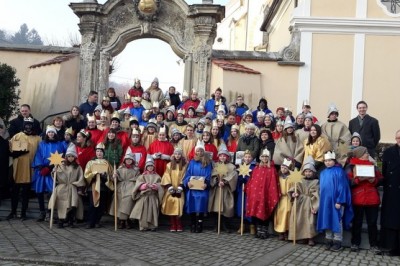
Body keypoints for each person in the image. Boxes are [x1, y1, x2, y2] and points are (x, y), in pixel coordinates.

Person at [346, 146, 382, 253]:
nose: (368, 154)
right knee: (357, 222)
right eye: (366, 152)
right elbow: (347, 183)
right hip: (358, 198)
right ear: (360, 155)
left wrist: (374, 181)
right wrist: (357, 180)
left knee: (372, 223)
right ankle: (355, 243)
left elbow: (381, 179)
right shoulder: (351, 166)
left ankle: (374, 245)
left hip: (372, 199)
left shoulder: (373, 166)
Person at [317, 151, 353, 252]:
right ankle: (328, 238)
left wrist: (340, 201)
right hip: (325, 201)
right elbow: (321, 187)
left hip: (336, 202)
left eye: (329, 160)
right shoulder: (323, 173)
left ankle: (337, 241)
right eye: (326, 161)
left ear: (334, 161)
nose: (327, 162)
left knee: (337, 220)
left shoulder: (339, 172)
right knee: (327, 218)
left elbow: (343, 187)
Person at [7, 118, 41, 220]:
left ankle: (23, 213)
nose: (28, 127)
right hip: (18, 168)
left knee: (26, 193)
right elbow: (9, 150)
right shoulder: (17, 136)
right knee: (15, 192)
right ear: (23, 125)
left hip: (30, 169)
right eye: (26, 125)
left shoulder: (38, 139)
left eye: (30, 125)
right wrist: (17, 153)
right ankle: (13, 212)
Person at [32, 125, 66, 222]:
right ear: (47, 134)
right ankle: (42, 211)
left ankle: (50, 212)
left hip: (53, 170)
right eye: (49, 132)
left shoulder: (59, 144)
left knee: (52, 192)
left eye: (52, 132)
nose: (51, 134)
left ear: (55, 134)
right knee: (39, 191)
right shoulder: (42, 144)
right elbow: (38, 154)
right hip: (41, 171)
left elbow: (61, 156)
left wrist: (50, 167)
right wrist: (41, 166)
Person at [48, 144, 85, 228]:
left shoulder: (77, 167)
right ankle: (60, 221)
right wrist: (54, 172)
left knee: (72, 205)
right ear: (66, 157)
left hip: (72, 188)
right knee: (61, 205)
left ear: (75, 157)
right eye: (69, 156)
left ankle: (71, 221)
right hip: (62, 188)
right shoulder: (61, 165)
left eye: (72, 156)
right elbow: (56, 178)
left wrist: (77, 184)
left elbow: (81, 178)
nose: (70, 158)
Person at [246, 149, 280, 239]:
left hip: (267, 195)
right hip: (256, 195)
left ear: (269, 158)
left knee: (265, 210)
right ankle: (259, 230)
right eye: (263, 156)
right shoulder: (257, 168)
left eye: (266, 157)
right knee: (257, 211)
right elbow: (252, 181)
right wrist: (248, 188)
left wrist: (271, 193)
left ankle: (264, 231)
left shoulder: (272, 169)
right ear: (260, 157)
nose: (265, 158)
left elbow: (274, 183)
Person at [288, 156, 320, 245]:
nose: (308, 173)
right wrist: (294, 193)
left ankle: (310, 238)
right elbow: (294, 188)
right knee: (299, 220)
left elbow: (316, 194)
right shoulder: (300, 180)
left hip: (309, 203)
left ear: (313, 172)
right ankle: (301, 236)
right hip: (299, 202)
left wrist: (315, 206)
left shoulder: (316, 182)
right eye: (306, 171)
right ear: (303, 172)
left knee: (309, 221)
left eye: (310, 171)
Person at [183, 140, 213, 233]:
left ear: (203, 152)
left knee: (201, 203)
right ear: (195, 151)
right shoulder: (192, 162)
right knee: (191, 202)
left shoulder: (207, 163)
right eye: (198, 151)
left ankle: (200, 223)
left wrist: (206, 183)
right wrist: (187, 182)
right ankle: (193, 223)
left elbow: (209, 175)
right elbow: (187, 174)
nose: (199, 152)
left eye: (201, 151)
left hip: (202, 188)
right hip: (192, 187)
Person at [109, 148, 140, 229]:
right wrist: (114, 176)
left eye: (130, 159)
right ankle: (121, 220)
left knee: (129, 199)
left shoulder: (136, 170)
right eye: (127, 159)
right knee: (118, 198)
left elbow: (138, 178)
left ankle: (127, 220)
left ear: (132, 160)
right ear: (124, 160)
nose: (129, 161)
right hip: (121, 186)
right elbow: (115, 178)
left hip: (131, 186)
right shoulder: (119, 169)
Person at [130, 156, 163, 231]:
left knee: (153, 211)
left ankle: (152, 226)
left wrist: (156, 186)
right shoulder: (142, 176)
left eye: (151, 166)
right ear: (146, 167)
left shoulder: (157, 176)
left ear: (153, 167)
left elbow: (160, 185)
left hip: (153, 196)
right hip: (144, 196)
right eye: (148, 166)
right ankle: (143, 226)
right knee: (143, 212)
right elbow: (138, 185)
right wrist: (144, 186)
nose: (150, 167)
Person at [84, 142, 113, 229]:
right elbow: (86, 174)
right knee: (92, 204)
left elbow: (111, 175)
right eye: (97, 151)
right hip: (93, 186)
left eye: (100, 151)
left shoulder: (107, 163)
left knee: (101, 205)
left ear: (103, 153)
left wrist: (105, 176)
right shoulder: (91, 163)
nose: (99, 153)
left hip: (103, 186)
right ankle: (90, 222)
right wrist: (94, 174)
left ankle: (97, 221)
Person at [380, 130, 400, 256]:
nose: (399, 140)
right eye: (398, 138)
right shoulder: (388, 152)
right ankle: (391, 247)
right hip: (392, 192)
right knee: (392, 220)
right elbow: (384, 171)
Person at [208, 149, 238, 233]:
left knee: (225, 207)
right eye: (221, 155)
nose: (222, 157)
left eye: (224, 156)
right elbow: (212, 175)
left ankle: (225, 225)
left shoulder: (231, 166)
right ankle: (216, 225)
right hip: (217, 189)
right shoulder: (215, 165)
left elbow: (233, 176)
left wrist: (224, 181)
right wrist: (217, 181)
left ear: (227, 157)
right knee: (217, 206)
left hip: (226, 189)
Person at [161, 147, 187, 232]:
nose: (177, 155)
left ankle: (178, 223)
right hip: (171, 188)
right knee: (170, 201)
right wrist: (169, 187)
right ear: (174, 154)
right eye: (176, 154)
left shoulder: (184, 165)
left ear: (181, 155)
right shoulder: (169, 165)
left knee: (179, 202)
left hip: (180, 189)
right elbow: (166, 175)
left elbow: (185, 176)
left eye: (179, 154)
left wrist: (181, 186)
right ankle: (172, 223)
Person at [235, 150, 256, 234]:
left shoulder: (254, 167)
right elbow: (238, 178)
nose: (247, 159)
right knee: (241, 206)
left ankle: (252, 225)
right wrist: (241, 180)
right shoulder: (241, 167)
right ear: (243, 158)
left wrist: (248, 180)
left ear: (252, 158)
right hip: (242, 190)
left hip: (250, 190)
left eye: (249, 157)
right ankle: (242, 225)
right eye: (246, 157)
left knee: (249, 206)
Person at [274, 158, 294, 241]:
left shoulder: (292, 177)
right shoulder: (278, 176)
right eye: (282, 167)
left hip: (288, 198)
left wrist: (293, 192)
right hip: (280, 198)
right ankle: (281, 232)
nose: (283, 169)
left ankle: (287, 231)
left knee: (288, 213)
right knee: (280, 214)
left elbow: (295, 187)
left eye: (285, 168)